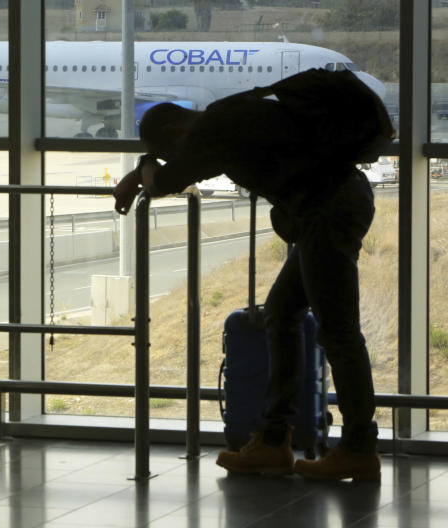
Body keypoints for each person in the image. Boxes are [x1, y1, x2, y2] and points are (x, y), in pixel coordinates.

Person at [113, 92, 381, 482]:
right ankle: (274, 440)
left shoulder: (212, 133)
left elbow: (163, 182)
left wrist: (143, 166)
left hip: (327, 212)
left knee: (339, 332)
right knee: (282, 312)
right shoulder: (231, 116)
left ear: (176, 131)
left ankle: (358, 447)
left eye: (167, 150)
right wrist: (148, 167)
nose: (174, 157)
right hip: (330, 207)